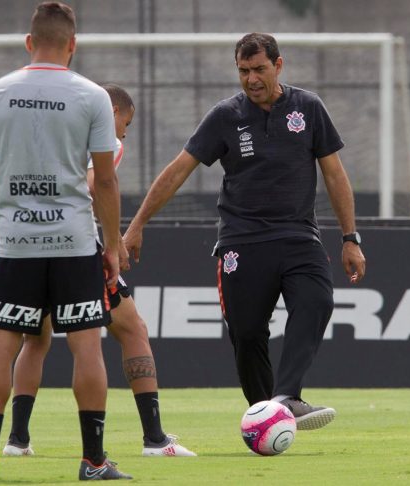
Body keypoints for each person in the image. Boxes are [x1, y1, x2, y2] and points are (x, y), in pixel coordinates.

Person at [123, 32, 366, 433]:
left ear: (279, 65)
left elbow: (335, 175)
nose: (251, 79)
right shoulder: (225, 116)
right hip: (242, 242)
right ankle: (266, 415)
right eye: (243, 71)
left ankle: (285, 397)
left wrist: (350, 237)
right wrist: (136, 224)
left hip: (298, 236)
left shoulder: (308, 107)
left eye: (259, 69)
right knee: (248, 333)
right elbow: (178, 170)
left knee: (317, 301)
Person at [0, 2, 131, 481]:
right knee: (86, 349)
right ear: (72, 44)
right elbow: (107, 183)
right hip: (74, 242)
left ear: (29, 42)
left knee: (0, 349)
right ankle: (93, 462)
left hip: (16, 242)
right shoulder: (92, 96)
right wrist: (111, 247)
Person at [2, 84, 196, 459]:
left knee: (35, 340)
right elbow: (96, 185)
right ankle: (154, 439)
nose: (124, 132)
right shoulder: (104, 138)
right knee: (130, 330)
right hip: (76, 247)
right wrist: (113, 241)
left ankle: (17, 440)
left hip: (28, 238)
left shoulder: (52, 130)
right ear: (114, 111)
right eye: (127, 121)